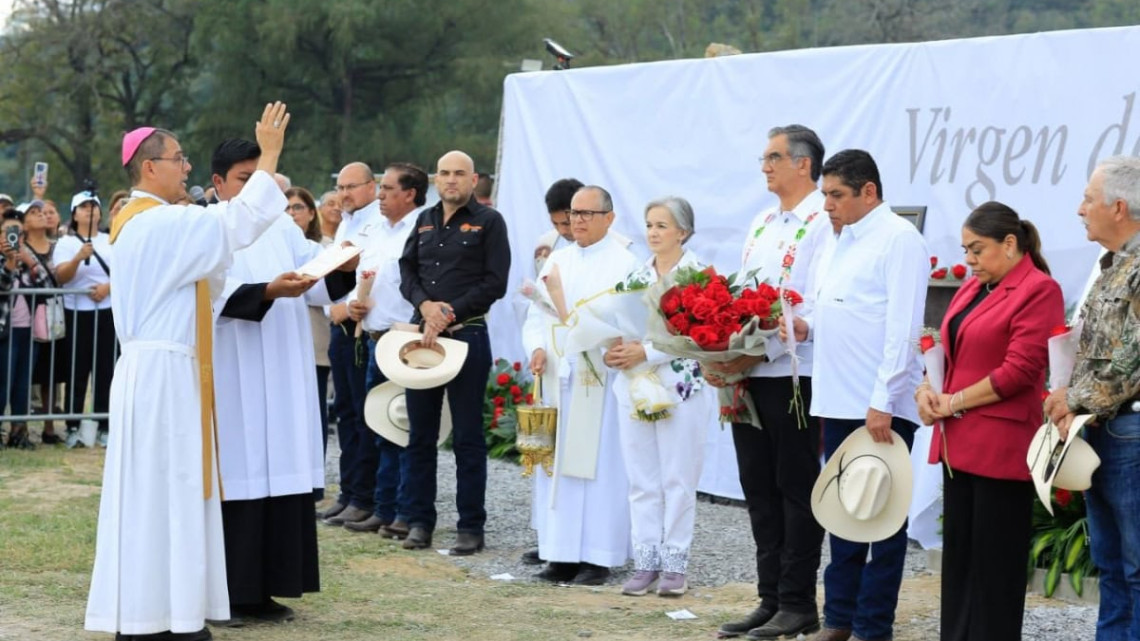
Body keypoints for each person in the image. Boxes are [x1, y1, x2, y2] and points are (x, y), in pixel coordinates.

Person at [84, 102, 292, 641]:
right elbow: (239, 221)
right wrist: (268, 153)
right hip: (163, 379)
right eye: (179, 159)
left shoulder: (144, 224)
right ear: (149, 167)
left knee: (160, 494)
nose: (188, 168)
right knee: (165, 494)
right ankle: (160, 618)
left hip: (156, 374)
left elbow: (211, 271)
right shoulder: (158, 222)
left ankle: (165, 611)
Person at [210, 139, 355, 624]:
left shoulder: (280, 227)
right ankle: (227, 593)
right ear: (217, 184)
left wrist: (342, 263)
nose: (255, 190)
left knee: (281, 471)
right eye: (242, 179)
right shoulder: (211, 228)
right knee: (240, 471)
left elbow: (314, 275)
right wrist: (270, 290)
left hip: (286, 369)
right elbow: (213, 295)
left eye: (261, 179)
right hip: (236, 369)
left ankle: (266, 589)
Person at [791, 149, 928, 641]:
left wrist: (884, 401)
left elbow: (903, 330)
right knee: (844, 512)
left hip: (880, 406)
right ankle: (840, 619)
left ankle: (874, 626)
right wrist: (803, 325)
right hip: (837, 398)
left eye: (837, 195)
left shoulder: (899, 239)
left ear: (869, 191)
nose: (827, 204)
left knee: (883, 521)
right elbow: (839, 310)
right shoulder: (839, 239)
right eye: (825, 194)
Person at [914, 202, 1063, 641]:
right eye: (965, 250)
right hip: (959, 440)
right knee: (960, 560)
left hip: (1000, 445)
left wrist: (953, 400)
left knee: (995, 569)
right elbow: (946, 348)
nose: (969, 260)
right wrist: (927, 390)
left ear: (1011, 244)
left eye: (977, 250)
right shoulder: (973, 287)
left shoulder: (1040, 289)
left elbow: (1020, 370)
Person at [712, 125, 832, 640]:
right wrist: (722, 351)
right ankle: (770, 598)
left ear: (803, 164)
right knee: (756, 485)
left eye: (773, 157)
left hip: (793, 372)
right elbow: (742, 299)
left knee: (795, 487)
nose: (764, 166)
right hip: (748, 372)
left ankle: (798, 601)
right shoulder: (762, 222)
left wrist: (759, 350)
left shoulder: (824, 220)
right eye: (763, 158)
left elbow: (816, 302)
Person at [522, 185, 638, 584]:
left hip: (597, 375)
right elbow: (536, 314)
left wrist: (596, 335)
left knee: (598, 466)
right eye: (574, 213)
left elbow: (630, 320)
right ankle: (560, 553)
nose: (578, 220)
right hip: (558, 375)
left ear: (609, 217)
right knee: (555, 468)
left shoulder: (624, 264)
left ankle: (597, 555)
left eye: (588, 213)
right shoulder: (558, 259)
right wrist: (537, 347)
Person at [1045, 155, 1140, 641]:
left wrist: (1071, 399)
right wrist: (1064, 395)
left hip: (1129, 432)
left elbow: (1129, 363)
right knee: (1111, 562)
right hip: (1103, 429)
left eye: (1088, 199)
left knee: (1135, 565)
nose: (1080, 209)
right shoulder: (1111, 266)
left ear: (1118, 207)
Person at [398, 150, 510, 555]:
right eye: (444, 173)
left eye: (459, 174)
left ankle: (470, 527)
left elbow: (495, 282)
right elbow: (406, 270)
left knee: (467, 436)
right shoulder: (424, 219)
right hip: (424, 337)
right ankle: (419, 522)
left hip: (466, 336)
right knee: (420, 435)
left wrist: (449, 312)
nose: (450, 180)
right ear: (435, 179)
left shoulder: (490, 222)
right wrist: (425, 306)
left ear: (474, 179)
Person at [609, 196, 713, 597]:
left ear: (682, 231)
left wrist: (648, 351)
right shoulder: (634, 276)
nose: (653, 232)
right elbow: (618, 323)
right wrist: (616, 350)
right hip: (634, 386)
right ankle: (646, 561)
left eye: (662, 225)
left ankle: (675, 563)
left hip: (680, 386)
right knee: (642, 478)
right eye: (649, 225)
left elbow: (700, 334)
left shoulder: (699, 275)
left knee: (678, 477)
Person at [344, 162, 424, 537]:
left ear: (410, 194)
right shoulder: (376, 231)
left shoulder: (422, 229)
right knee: (379, 425)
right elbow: (364, 277)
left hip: (405, 339)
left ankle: (407, 511)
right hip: (373, 337)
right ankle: (383, 505)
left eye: (388, 189)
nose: (380, 195)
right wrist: (354, 303)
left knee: (404, 426)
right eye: (380, 188)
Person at [320, 162, 383, 527]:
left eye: (352, 187)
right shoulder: (347, 222)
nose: (344, 194)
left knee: (363, 415)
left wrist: (349, 307)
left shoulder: (376, 223)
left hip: (362, 324)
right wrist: (336, 309)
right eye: (340, 187)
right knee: (344, 412)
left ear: (372, 187)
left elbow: (374, 274)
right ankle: (348, 492)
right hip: (341, 325)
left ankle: (366, 495)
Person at [54, 191, 116, 449]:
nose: (90, 210)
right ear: (74, 213)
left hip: (107, 310)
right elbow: (61, 276)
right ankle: (73, 426)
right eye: (83, 206)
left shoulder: (111, 239)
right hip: (77, 311)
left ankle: (104, 425)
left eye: (94, 206)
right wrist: (78, 258)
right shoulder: (66, 243)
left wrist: (108, 287)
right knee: (77, 370)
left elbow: (124, 270)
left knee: (106, 370)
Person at [287, 186, 335, 455]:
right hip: (284, 341)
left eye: (297, 208)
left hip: (314, 340)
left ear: (310, 213)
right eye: (287, 208)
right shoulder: (271, 247)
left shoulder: (323, 248)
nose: (292, 214)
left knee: (314, 409)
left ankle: (315, 477)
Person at [0, 206, 51, 449]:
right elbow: (3, 286)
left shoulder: (28, 258)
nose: (14, 238)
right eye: (9, 232)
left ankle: (18, 432)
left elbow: (49, 285)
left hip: (28, 331)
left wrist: (30, 262)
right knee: (3, 383)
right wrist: (10, 262)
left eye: (18, 234)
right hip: (4, 331)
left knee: (22, 383)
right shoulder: (4, 259)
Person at [20, 199, 68, 446]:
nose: (40, 215)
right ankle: (21, 427)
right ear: (23, 221)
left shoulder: (57, 246)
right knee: (28, 370)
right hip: (27, 313)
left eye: (42, 212)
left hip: (53, 313)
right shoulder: (20, 248)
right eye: (34, 212)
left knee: (51, 371)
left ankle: (50, 427)